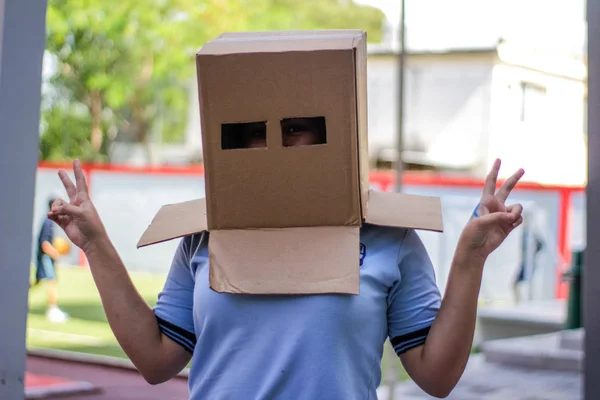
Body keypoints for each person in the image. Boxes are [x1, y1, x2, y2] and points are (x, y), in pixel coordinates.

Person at [48, 126, 524, 399]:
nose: (279, 143)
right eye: (259, 131)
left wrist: (470, 259)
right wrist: (95, 244)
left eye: (298, 128)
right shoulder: (201, 236)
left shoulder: (388, 236)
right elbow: (155, 359)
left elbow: (437, 376)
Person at [33, 195, 69, 323]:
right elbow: (44, 243)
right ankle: (52, 310)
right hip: (46, 257)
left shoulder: (50, 222)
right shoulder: (48, 222)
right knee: (52, 281)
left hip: (46, 256)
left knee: (37, 282)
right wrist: (54, 253)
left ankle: (15, 293)